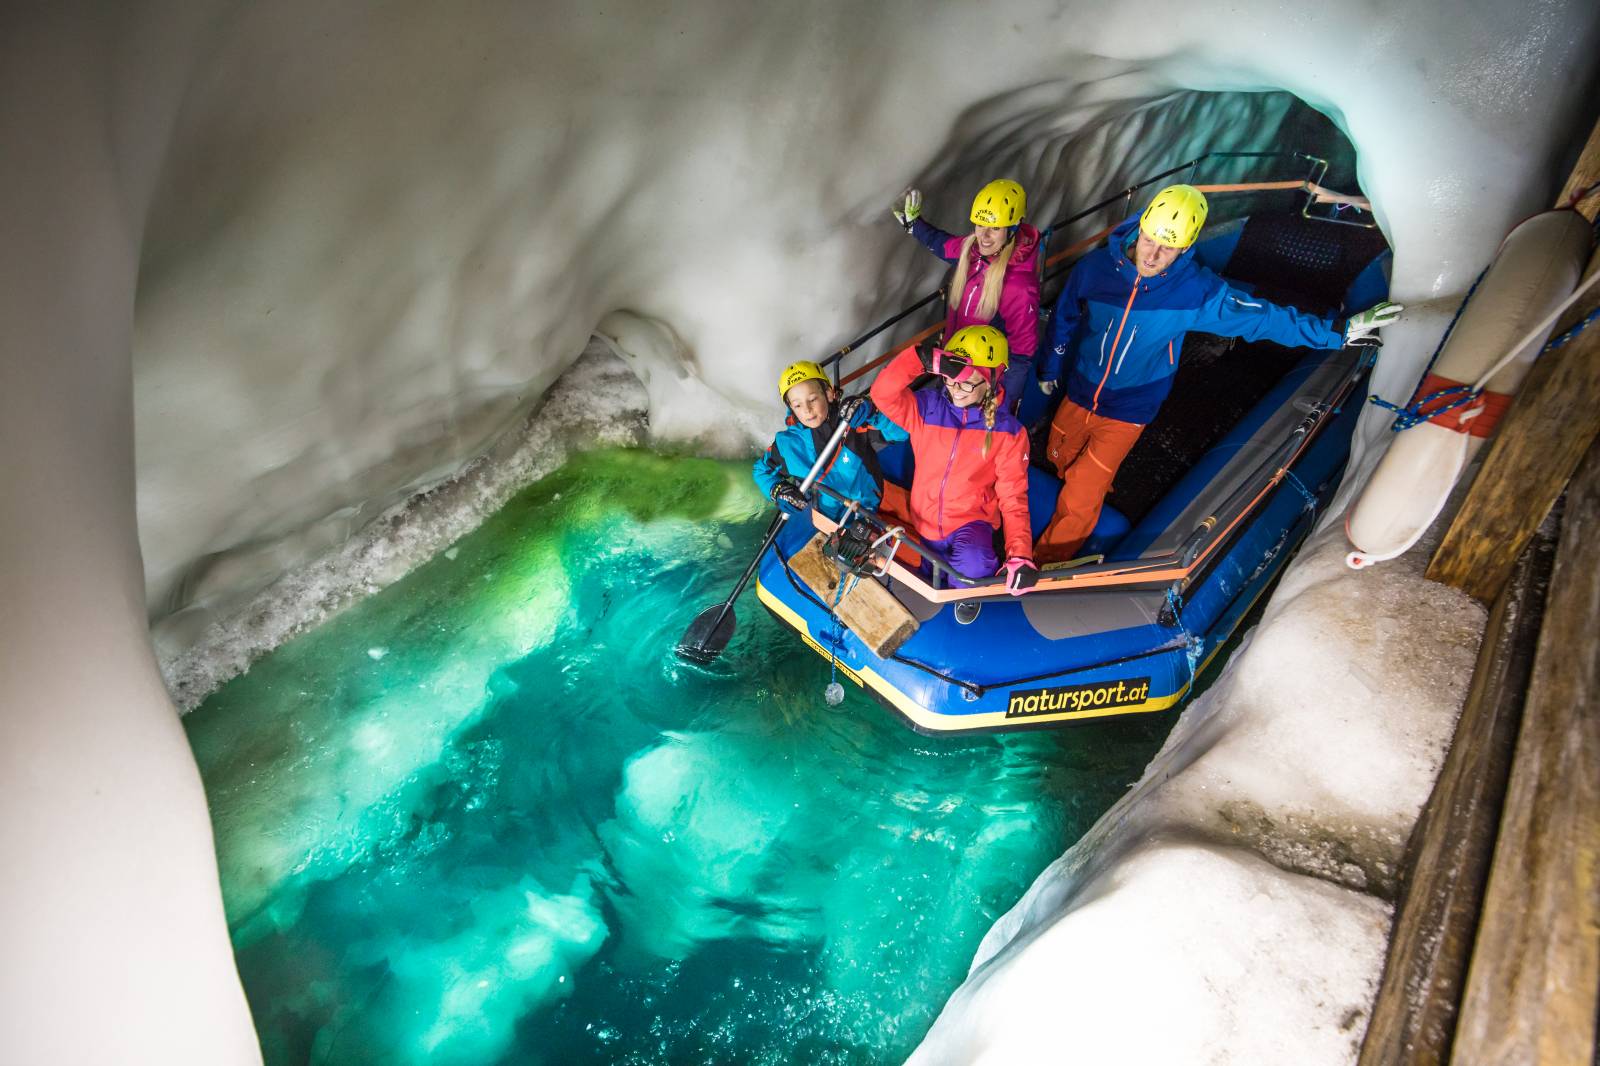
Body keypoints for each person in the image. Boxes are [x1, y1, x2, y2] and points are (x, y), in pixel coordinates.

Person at [1033, 184, 1402, 563]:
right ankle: (1077, 478)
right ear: (1140, 228)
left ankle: (1044, 563)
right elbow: (1064, 316)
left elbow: (1261, 316)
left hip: (1129, 408)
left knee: (1083, 493)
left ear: (1186, 247)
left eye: (1168, 247)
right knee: (1058, 452)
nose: (1154, 255)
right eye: (1150, 240)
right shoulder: (1095, 270)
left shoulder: (1194, 291)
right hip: (1080, 389)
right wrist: (1051, 366)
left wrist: (1337, 332)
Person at [869, 325, 1037, 594]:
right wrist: (921, 359)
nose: (956, 388)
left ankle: (963, 597)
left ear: (993, 378)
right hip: (924, 520)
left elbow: (1013, 496)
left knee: (973, 563)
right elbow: (882, 394)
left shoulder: (1009, 433)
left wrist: (1019, 553)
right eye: (950, 377)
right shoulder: (926, 408)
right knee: (929, 570)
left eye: (968, 380)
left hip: (970, 523)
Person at [894, 179, 1041, 410]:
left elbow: (1022, 353)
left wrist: (1003, 406)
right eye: (980, 225)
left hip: (978, 383)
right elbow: (941, 243)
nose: (984, 236)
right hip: (953, 368)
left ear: (1013, 229)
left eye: (995, 228)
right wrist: (913, 224)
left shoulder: (1017, 285)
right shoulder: (971, 251)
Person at [753, 360, 908, 522]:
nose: (807, 410)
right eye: (797, 405)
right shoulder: (788, 445)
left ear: (828, 394)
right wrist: (777, 490)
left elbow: (901, 432)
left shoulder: (852, 420)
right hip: (826, 516)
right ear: (791, 408)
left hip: (869, 506)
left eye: (812, 400)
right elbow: (761, 471)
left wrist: (872, 412)